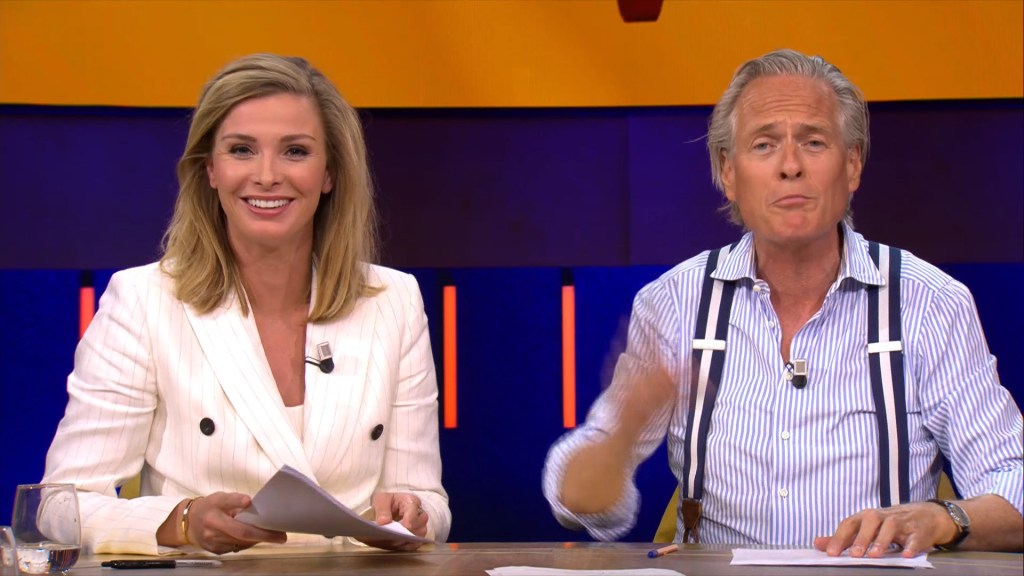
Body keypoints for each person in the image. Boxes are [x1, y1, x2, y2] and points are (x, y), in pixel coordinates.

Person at [543, 48, 1023, 556]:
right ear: (729, 173)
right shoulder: (674, 304)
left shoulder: (931, 304)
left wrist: (943, 518)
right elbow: (580, 507)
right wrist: (622, 435)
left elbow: (1012, 481)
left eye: (813, 142)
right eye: (764, 144)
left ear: (852, 165)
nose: (790, 166)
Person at [41, 53, 450, 555]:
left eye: (295, 151)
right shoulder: (143, 301)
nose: (267, 175)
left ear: (329, 173)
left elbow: (428, 501)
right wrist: (181, 522)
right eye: (242, 150)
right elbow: (62, 505)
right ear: (210, 169)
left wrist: (413, 513)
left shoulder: (393, 302)